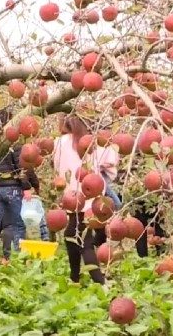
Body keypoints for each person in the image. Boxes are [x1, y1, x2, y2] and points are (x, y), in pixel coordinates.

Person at [0, 109, 39, 264]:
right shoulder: (13, 143)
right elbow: (22, 167)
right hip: (13, 188)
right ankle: (17, 255)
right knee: (17, 223)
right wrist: (27, 187)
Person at [53, 115, 105, 285]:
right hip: (90, 195)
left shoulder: (59, 143)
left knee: (84, 241)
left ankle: (99, 282)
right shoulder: (87, 142)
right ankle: (75, 276)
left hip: (72, 197)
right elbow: (96, 169)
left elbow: (57, 167)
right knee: (72, 235)